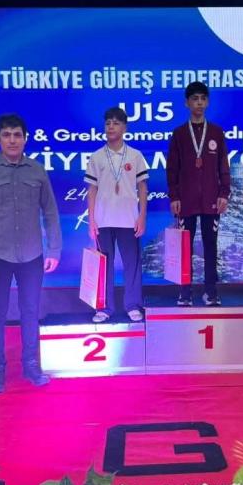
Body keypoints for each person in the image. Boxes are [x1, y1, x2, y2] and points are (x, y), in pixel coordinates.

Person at [0, 113, 63, 391]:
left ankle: (31, 365)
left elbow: (50, 212)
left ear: (25, 138)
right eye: (6, 135)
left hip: (32, 255)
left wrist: (54, 249)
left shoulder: (37, 170)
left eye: (17, 135)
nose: (12, 140)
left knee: (30, 311)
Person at [166, 81, 231, 306]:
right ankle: (185, 291)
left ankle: (211, 291)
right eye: (195, 99)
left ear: (208, 102)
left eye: (203, 98)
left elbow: (223, 166)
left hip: (212, 200)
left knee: (211, 245)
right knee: (184, 246)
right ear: (187, 103)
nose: (199, 103)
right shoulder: (179, 134)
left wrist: (224, 193)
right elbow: (172, 168)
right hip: (186, 200)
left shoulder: (216, 132)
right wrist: (174, 196)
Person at [84, 107, 149, 323]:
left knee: (132, 265)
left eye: (116, 123)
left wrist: (142, 217)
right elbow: (92, 190)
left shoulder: (135, 155)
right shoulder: (97, 157)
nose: (111, 127)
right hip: (103, 220)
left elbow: (142, 187)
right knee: (104, 266)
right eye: (108, 123)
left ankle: (133, 305)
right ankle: (104, 307)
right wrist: (91, 220)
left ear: (124, 128)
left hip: (129, 219)